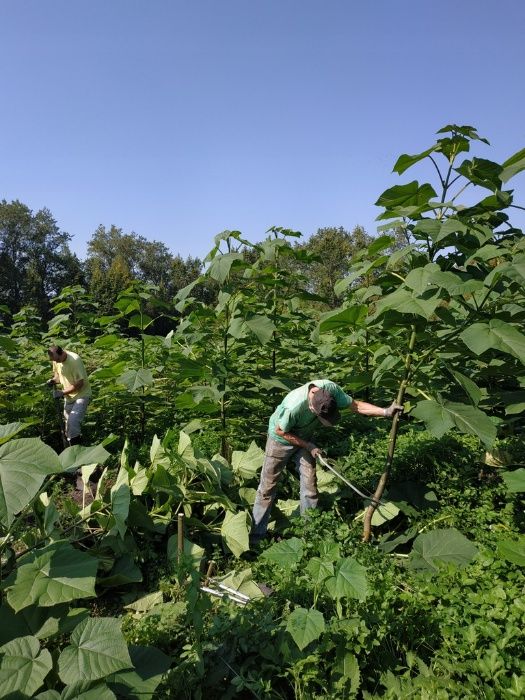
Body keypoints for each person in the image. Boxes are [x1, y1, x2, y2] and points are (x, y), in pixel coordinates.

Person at [250, 379, 403, 545]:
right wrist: (308, 445)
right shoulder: (293, 406)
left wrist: (386, 411)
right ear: (311, 408)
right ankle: (257, 538)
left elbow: (356, 405)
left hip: (306, 438)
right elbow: (280, 431)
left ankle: (309, 535)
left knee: (310, 486)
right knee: (268, 488)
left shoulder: (330, 390)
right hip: (280, 440)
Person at [47, 345, 92, 446]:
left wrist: (62, 393)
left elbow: (80, 383)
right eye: (54, 360)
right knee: (68, 427)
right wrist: (53, 381)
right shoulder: (56, 360)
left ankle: (77, 451)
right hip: (69, 397)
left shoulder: (74, 360)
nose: (56, 362)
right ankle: (71, 450)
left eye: (57, 359)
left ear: (61, 353)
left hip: (82, 395)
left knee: (73, 422)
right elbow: (58, 376)